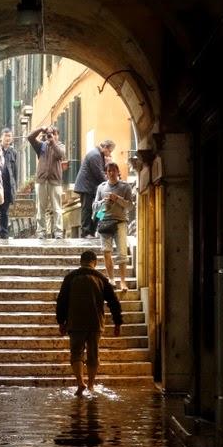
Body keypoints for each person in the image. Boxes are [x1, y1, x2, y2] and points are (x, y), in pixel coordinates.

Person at [56, 249, 122, 395]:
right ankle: (91, 385)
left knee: (76, 353)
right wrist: (117, 323)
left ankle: (80, 383)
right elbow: (114, 302)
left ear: (81, 262)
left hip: (75, 322)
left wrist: (61, 321)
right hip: (95, 323)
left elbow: (61, 301)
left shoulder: (70, 277)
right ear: (95, 262)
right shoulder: (101, 279)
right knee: (93, 355)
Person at [92, 162, 133, 292]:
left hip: (120, 222)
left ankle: (122, 282)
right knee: (106, 251)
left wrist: (118, 199)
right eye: (108, 171)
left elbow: (130, 206)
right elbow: (94, 206)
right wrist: (102, 202)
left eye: (113, 170)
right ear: (106, 173)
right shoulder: (101, 187)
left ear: (117, 171)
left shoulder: (125, 187)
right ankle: (111, 279)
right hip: (104, 221)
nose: (111, 173)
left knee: (122, 253)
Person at [28, 125, 66, 239]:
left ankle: (58, 232)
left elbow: (61, 155)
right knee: (41, 208)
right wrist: (41, 129)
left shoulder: (60, 146)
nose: (51, 135)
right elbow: (30, 137)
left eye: (54, 133)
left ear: (57, 135)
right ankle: (41, 232)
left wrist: (52, 142)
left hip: (55, 181)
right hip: (41, 181)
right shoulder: (41, 146)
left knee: (57, 208)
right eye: (50, 134)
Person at [73, 139, 116, 238]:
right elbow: (99, 173)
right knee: (87, 209)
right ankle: (86, 232)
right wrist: (110, 184)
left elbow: (101, 171)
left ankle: (92, 230)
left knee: (100, 209)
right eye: (109, 151)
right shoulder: (95, 155)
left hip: (92, 187)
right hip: (86, 187)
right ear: (105, 147)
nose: (109, 154)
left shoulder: (98, 155)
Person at [0, 127, 18, 243]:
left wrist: (14, 186)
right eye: (6, 136)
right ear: (1, 137)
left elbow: (15, 171)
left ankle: (3, 233)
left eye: (9, 136)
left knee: (4, 211)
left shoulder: (13, 152)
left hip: (7, 185)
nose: (7, 138)